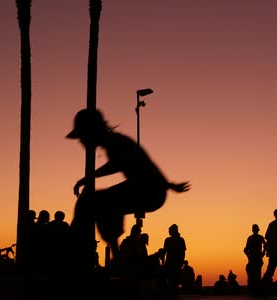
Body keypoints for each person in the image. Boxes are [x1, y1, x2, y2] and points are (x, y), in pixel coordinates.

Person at [66, 108, 191, 261]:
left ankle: (104, 253)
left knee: (97, 201)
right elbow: (146, 165)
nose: (81, 141)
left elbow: (119, 165)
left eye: (82, 136)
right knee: (99, 202)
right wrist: (170, 185)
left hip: (149, 191)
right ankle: (112, 252)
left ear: (91, 132)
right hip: (148, 188)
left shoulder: (116, 142)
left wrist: (87, 178)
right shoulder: (114, 143)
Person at [163, 224, 187, 295]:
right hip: (175, 263)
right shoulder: (180, 240)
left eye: (169, 230)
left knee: (172, 280)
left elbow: (165, 252)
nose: (168, 231)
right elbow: (183, 253)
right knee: (174, 280)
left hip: (172, 263)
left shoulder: (169, 240)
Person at [243, 224, 266, 291]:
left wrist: (263, 253)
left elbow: (245, 250)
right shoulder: (255, 238)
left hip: (255, 259)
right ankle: (254, 289)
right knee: (255, 274)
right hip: (255, 259)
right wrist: (263, 253)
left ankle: (254, 289)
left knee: (254, 275)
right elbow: (245, 250)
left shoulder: (253, 238)